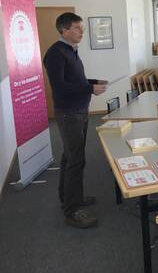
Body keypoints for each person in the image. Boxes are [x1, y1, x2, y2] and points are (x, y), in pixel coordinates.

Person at [43, 12, 107, 229]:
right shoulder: (56, 53)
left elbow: (74, 80)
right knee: (75, 160)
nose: (82, 31)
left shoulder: (71, 51)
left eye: (82, 28)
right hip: (69, 113)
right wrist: (89, 88)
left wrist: (92, 82)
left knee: (69, 157)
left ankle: (70, 198)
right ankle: (72, 211)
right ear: (64, 30)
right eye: (78, 28)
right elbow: (60, 87)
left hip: (79, 110)